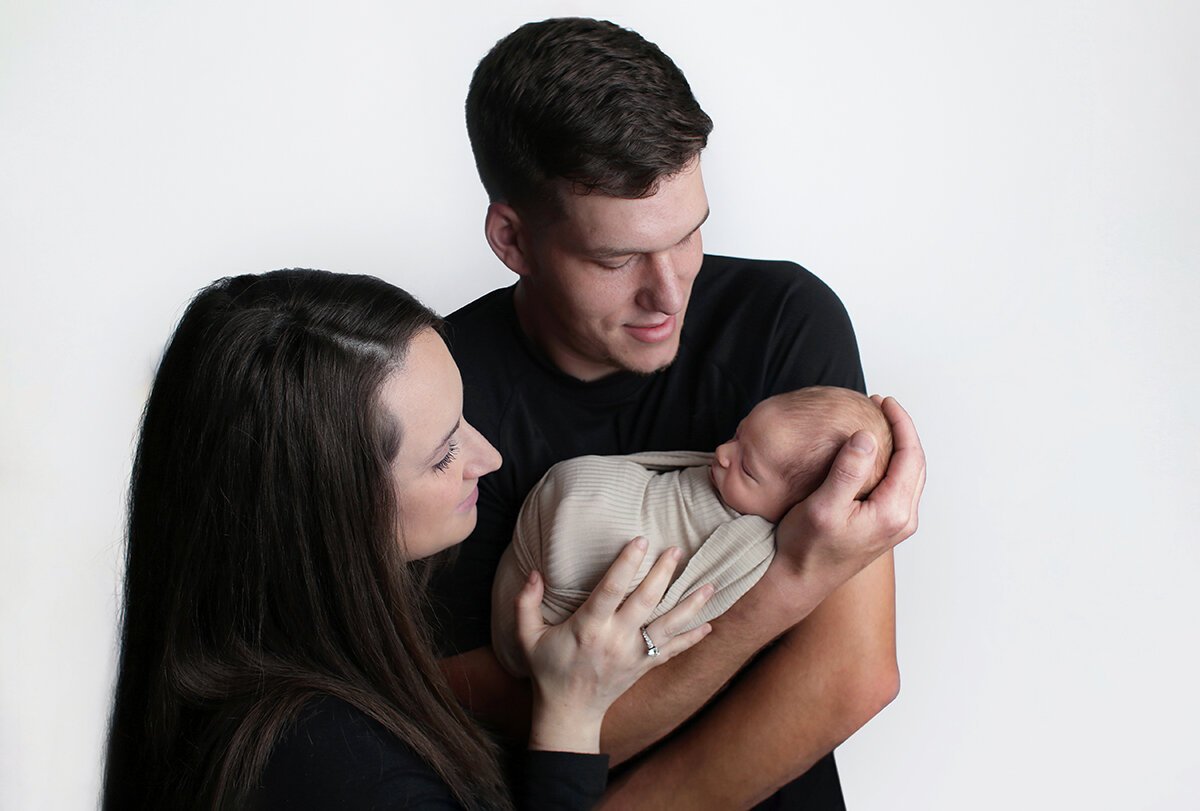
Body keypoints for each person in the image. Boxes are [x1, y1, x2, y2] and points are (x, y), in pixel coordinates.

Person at [430, 17, 927, 809]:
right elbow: (462, 718)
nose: (670, 294)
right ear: (512, 239)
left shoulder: (783, 320)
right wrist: (790, 581)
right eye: (616, 258)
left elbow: (850, 676)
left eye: (691, 233)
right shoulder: (438, 392)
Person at [102, 269, 713, 810]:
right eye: (445, 451)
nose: (489, 457)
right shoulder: (342, 771)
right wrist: (572, 715)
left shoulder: (261, 669)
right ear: (333, 506)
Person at [491, 387, 894, 678]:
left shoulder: (751, 544)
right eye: (739, 435)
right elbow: (657, 469)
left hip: (573, 573)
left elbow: (687, 606)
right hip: (563, 510)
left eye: (747, 468)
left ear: (798, 512)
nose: (722, 452)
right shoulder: (727, 475)